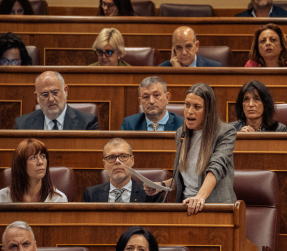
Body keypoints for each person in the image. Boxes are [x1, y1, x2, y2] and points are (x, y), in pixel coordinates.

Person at [144, 83, 237, 216]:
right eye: (187, 105)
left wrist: (199, 197)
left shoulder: (225, 132)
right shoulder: (181, 133)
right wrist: (160, 186)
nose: (190, 111)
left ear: (208, 111)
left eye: (197, 107)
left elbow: (216, 168)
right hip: (186, 207)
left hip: (216, 208)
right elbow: (185, 179)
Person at [82, 138, 162, 202]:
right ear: (104, 164)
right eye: (111, 157)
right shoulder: (91, 194)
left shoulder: (149, 194)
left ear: (132, 161)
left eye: (123, 156)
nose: (117, 161)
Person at [14, 71, 99, 130]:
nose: (51, 99)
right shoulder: (23, 125)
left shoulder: (87, 123)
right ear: (37, 97)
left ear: (65, 91)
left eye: (55, 92)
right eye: (45, 94)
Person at [0, 139, 68, 202]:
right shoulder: (2, 198)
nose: (40, 162)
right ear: (21, 164)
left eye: (43, 156)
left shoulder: (59, 199)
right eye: (33, 157)